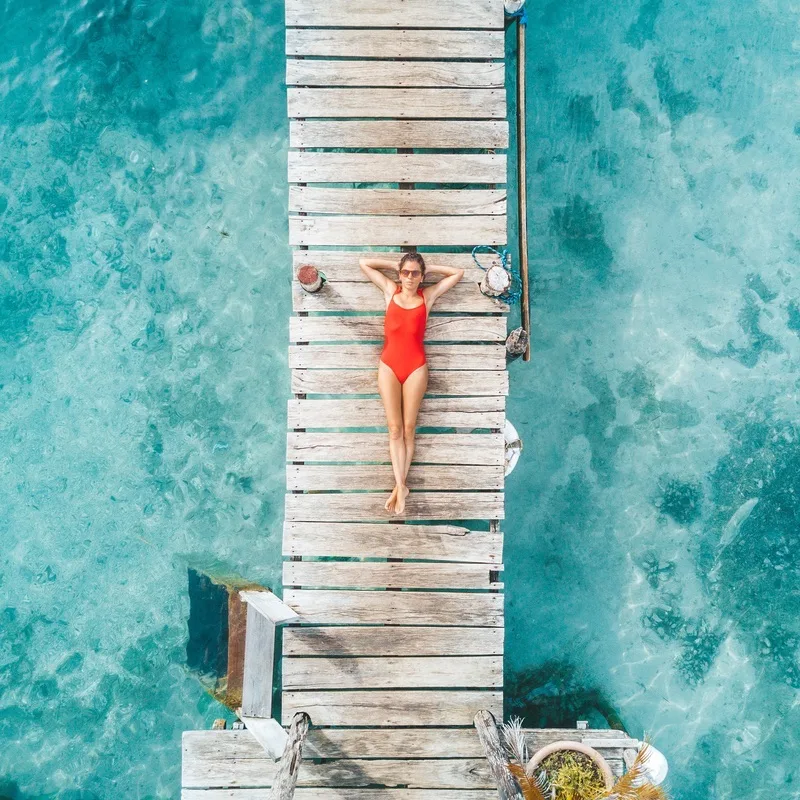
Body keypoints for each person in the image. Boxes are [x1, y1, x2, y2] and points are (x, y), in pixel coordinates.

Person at [359, 254, 464, 514]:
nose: (409, 277)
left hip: (416, 367)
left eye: (415, 273)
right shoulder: (389, 291)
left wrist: (428, 269)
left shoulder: (426, 298)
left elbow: (457, 273)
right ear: (399, 273)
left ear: (421, 276)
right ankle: (401, 485)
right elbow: (364, 263)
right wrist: (394, 265)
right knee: (394, 429)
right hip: (389, 366)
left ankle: (400, 487)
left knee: (408, 428)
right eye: (405, 272)